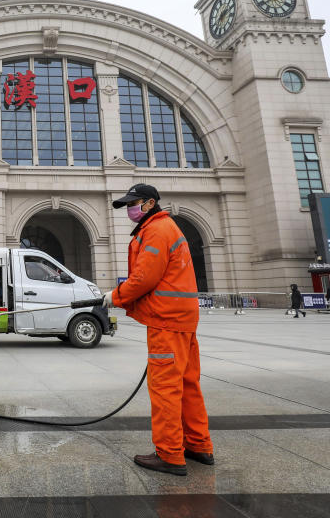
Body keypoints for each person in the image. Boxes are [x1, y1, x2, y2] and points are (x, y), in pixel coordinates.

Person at [104, 183, 213, 476]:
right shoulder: (166, 228)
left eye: (133, 203)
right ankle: (198, 445)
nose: (130, 209)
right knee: (188, 384)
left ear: (151, 202)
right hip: (183, 320)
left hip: (167, 321)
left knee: (165, 387)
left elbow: (143, 278)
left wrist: (113, 297)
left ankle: (169, 454)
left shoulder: (156, 231)